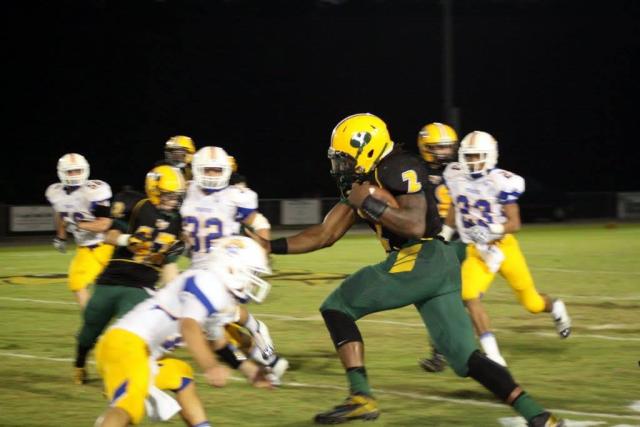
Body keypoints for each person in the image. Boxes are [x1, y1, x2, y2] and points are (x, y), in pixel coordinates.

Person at [262, 113, 564, 427]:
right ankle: (539, 415)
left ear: (367, 149)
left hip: (423, 256)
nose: (340, 166)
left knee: (337, 306)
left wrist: (370, 202)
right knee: (466, 359)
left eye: (345, 158)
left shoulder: (398, 167)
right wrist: (269, 245)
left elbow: (415, 225)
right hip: (439, 265)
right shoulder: (369, 180)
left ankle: (361, 396)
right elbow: (324, 235)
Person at [94, 236, 273, 427]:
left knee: (181, 375)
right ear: (232, 267)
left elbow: (217, 342)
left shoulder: (218, 295)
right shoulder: (208, 282)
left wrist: (249, 369)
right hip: (126, 345)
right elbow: (189, 326)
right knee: (129, 405)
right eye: (253, 272)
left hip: (141, 353)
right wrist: (210, 366)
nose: (254, 281)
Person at [440, 130, 571, 367]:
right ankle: (493, 355)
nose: (472, 161)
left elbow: (514, 223)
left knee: (532, 304)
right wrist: (444, 236)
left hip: (503, 247)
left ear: (490, 156)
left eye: (477, 156)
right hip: (475, 250)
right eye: (468, 156)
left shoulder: (502, 181)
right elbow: (454, 209)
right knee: (468, 295)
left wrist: (491, 230)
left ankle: (556, 307)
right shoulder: (454, 175)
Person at [181, 146, 288, 384]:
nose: (211, 174)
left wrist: (262, 246)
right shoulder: (186, 192)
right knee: (216, 326)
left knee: (214, 323)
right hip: (196, 265)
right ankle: (267, 357)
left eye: (216, 170)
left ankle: (263, 361)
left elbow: (258, 221)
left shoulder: (235, 196)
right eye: (207, 169)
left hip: (224, 265)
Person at [73, 165, 186, 385]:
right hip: (111, 278)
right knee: (90, 330)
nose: (174, 201)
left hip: (141, 285)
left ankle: (119, 382)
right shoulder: (137, 206)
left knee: (130, 336)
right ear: (154, 190)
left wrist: (173, 293)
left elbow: (170, 265)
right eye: (169, 195)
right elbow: (110, 235)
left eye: (177, 197)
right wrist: (128, 240)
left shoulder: (176, 220)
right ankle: (79, 363)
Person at [415, 122, 465, 372]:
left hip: (459, 238)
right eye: (439, 148)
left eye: (448, 148)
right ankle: (440, 351)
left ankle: (466, 351)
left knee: (458, 298)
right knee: (435, 299)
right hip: (432, 239)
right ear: (425, 147)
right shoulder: (416, 171)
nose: (445, 153)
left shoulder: (461, 169)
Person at [45, 153, 114, 308]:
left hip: (108, 246)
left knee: (127, 287)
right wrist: (61, 237)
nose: (74, 175)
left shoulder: (94, 190)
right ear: (62, 172)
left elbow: (104, 224)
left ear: (85, 170)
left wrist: (78, 225)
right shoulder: (56, 192)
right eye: (70, 171)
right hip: (85, 248)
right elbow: (60, 213)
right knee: (76, 283)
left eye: (77, 170)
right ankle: (93, 324)